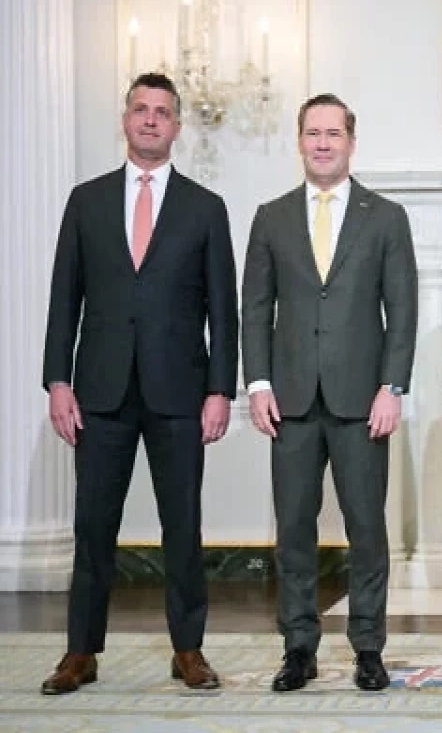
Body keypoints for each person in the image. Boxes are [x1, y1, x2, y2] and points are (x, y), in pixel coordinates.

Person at [40, 72, 238, 694]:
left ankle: (188, 649)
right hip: (99, 391)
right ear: (125, 119)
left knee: (183, 525)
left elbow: (223, 310)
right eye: (141, 110)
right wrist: (57, 381)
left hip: (180, 392)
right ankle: (80, 652)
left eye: (162, 112)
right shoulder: (87, 200)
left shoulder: (205, 208)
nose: (151, 120)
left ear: (177, 126)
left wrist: (220, 390)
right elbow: (63, 298)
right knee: (93, 526)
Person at [241, 93, 418, 692]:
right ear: (299, 141)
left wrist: (392, 387)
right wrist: (257, 383)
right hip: (288, 401)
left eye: (332, 133)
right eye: (312, 133)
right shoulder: (270, 216)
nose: (322, 143)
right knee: (293, 529)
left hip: (362, 400)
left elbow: (402, 310)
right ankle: (298, 648)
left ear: (351, 142)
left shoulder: (385, 217)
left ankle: (368, 647)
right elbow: (255, 308)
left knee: (366, 527)